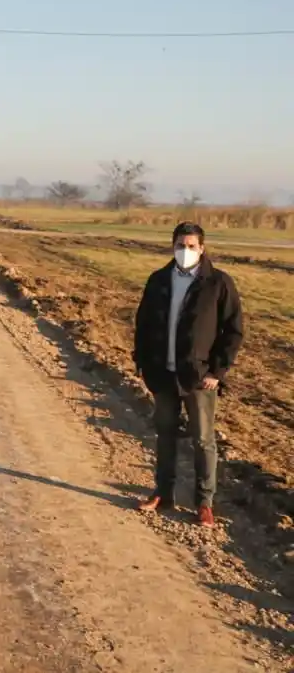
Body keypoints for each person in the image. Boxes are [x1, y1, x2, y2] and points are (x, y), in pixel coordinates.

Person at [132, 222, 244, 528]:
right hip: (162, 374)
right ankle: (163, 493)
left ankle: (204, 503)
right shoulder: (158, 280)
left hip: (198, 377)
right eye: (181, 245)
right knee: (165, 434)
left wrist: (217, 372)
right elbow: (143, 323)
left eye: (192, 246)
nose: (186, 251)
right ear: (172, 246)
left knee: (203, 440)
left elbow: (233, 331)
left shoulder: (218, 284)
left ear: (202, 248)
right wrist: (142, 362)